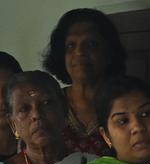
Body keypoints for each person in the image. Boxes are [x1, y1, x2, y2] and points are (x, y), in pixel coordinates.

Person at [42, 8, 127, 156]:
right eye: (71, 45)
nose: (79, 52)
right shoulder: (49, 104)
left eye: (91, 44)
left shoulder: (123, 103)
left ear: (108, 53)